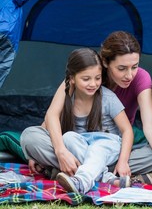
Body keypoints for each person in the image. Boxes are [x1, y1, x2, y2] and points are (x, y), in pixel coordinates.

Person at [21, 31, 152, 195]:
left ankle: (71, 172)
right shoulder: (85, 76)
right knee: (30, 137)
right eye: (122, 68)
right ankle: (104, 176)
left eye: (134, 67)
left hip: (112, 151)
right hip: (74, 147)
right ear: (106, 63)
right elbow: (52, 115)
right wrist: (58, 151)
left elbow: (150, 124)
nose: (129, 75)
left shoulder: (139, 79)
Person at [21, 48, 134, 193]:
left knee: (97, 150)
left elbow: (127, 130)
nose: (93, 84)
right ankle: (104, 176)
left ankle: (80, 181)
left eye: (97, 78)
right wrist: (36, 153)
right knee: (35, 136)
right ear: (72, 78)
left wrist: (123, 161)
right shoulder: (67, 93)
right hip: (77, 150)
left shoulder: (108, 98)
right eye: (86, 79)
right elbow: (51, 117)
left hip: (108, 148)